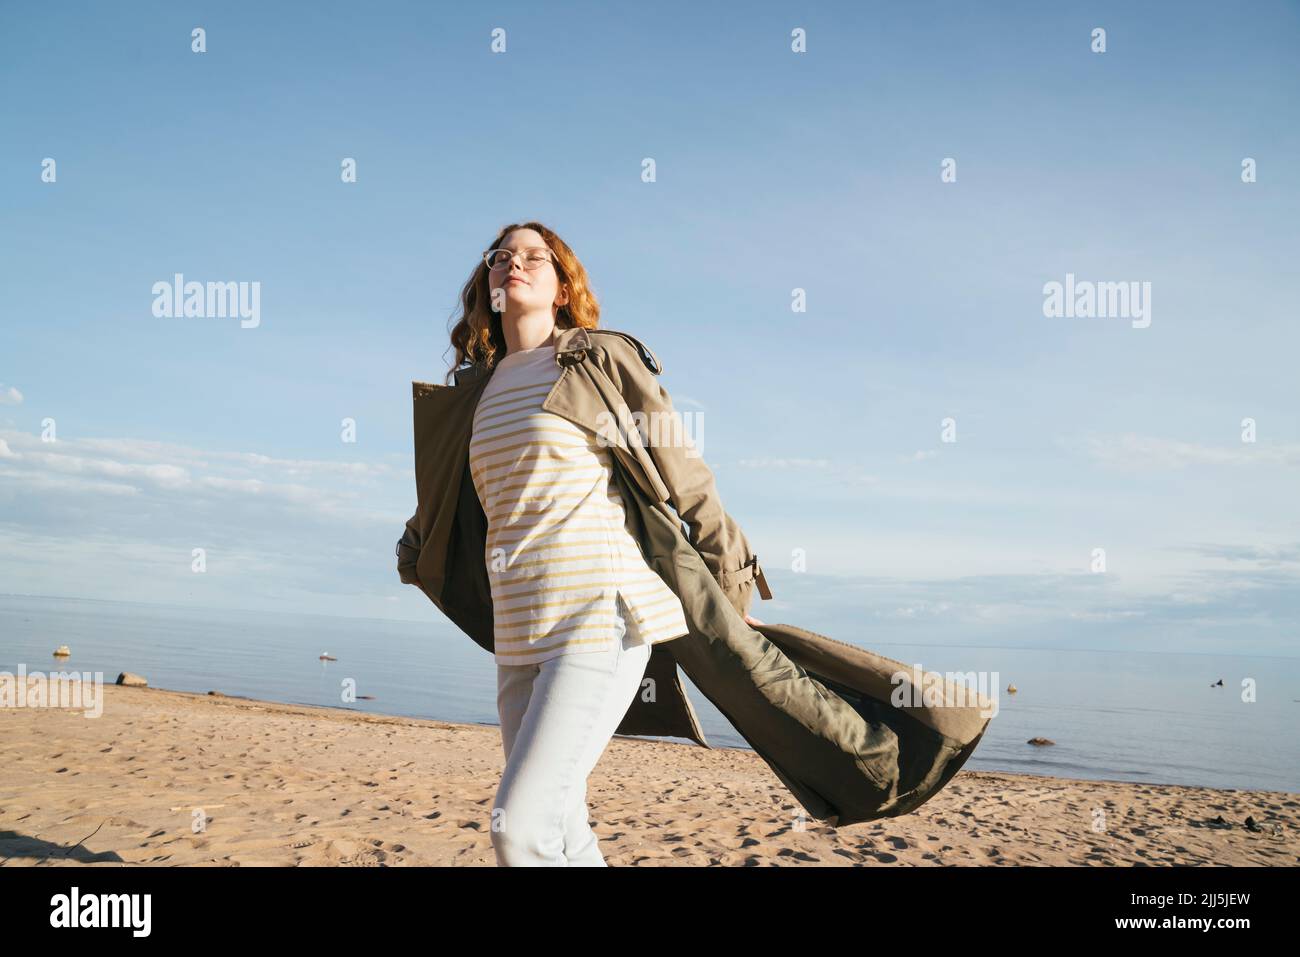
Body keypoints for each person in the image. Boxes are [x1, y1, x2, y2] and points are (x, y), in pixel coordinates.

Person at [447, 221, 760, 866]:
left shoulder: (594, 362)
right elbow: (468, 504)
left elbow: (685, 474)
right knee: (561, 825)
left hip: (600, 613)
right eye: (502, 256)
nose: (516, 264)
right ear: (488, 282)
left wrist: (730, 582)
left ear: (563, 286)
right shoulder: (479, 389)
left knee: (517, 827)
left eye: (536, 257)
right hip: (517, 625)